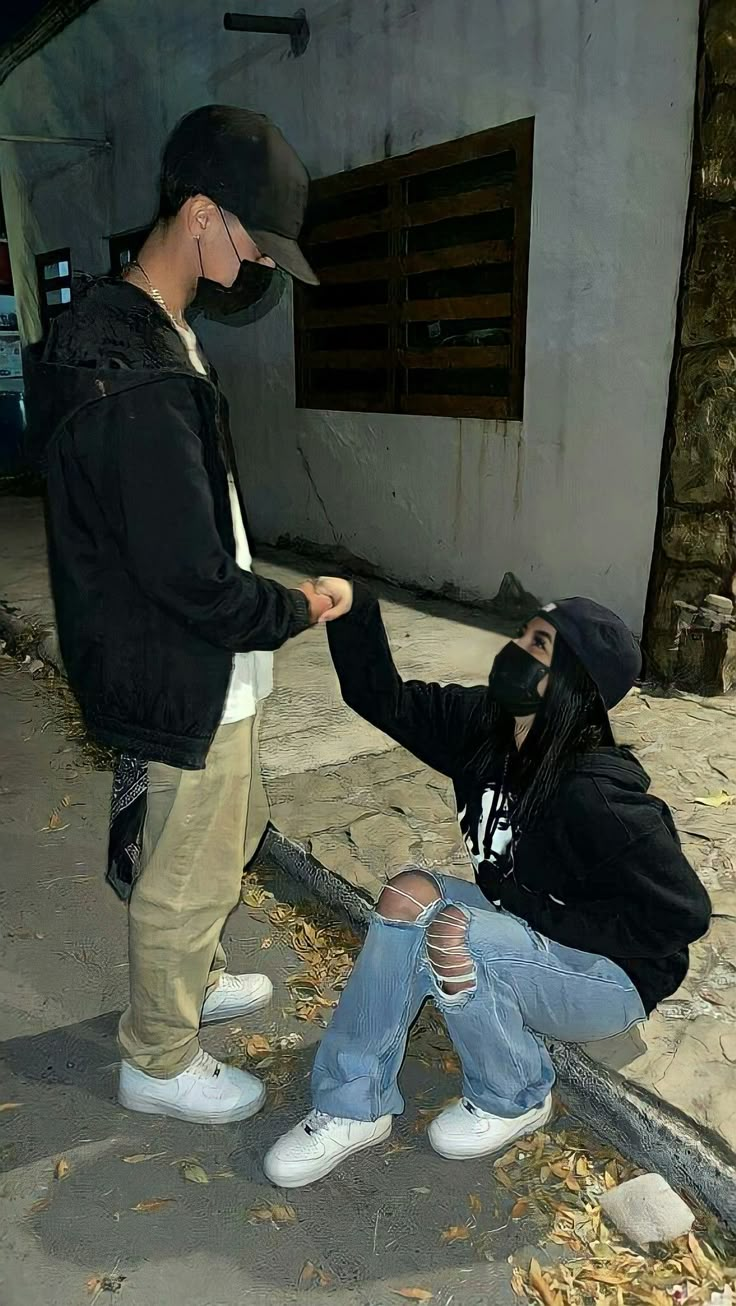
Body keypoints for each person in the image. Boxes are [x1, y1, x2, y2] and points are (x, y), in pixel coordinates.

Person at [36, 106, 332, 1125]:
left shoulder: (158, 335)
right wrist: (297, 606)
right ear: (202, 212)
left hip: (212, 661)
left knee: (228, 830)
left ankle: (192, 981)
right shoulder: (128, 365)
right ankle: (156, 1058)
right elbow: (187, 575)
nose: (259, 266)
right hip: (184, 658)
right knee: (184, 867)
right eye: (254, 241)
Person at [264, 578, 711, 1186]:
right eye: (523, 635)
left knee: (457, 933)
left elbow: (680, 917)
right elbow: (384, 697)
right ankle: (352, 1103)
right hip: (530, 930)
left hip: (610, 975)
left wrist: (533, 916)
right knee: (406, 896)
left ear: (569, 685)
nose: (514, 651)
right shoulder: (485, 727)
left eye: (538, 647)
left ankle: (515, 1094)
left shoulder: (596, 796)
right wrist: (356, 607)